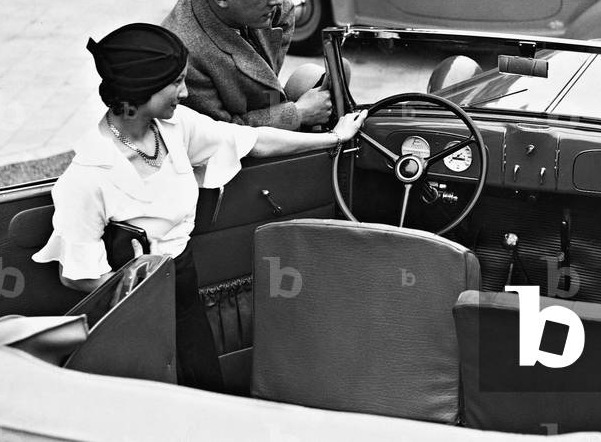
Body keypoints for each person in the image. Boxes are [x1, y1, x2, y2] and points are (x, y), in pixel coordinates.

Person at [32, 24, 366, 390]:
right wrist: (137, 285)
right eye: (175, 83)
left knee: (205, 387)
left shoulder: (175, 127)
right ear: (140, 91)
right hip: (131, 304)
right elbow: (75, 274)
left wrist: (333, 138)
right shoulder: (87, 176)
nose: (185, 91)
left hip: (183, 283)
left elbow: (252, 140)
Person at [162, 0, 332, 130]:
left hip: (254, 116)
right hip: (228, 151)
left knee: (325, 77)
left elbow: (264, 83)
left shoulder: (278, 9)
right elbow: (220, 135)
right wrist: (298, 114)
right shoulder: (184, 56)